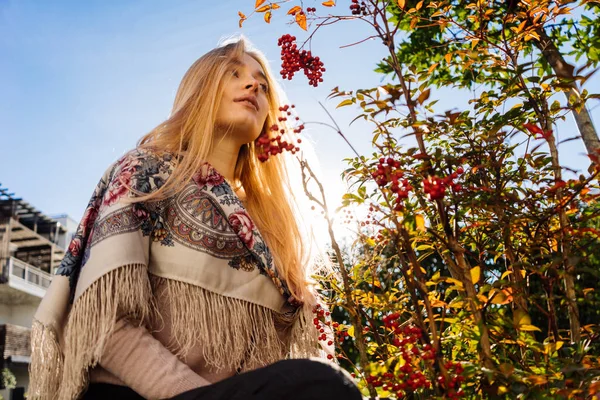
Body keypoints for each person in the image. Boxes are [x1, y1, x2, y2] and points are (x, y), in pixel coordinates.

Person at [28, 37, 362, 400]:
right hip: (129, 393)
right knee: (324, 386)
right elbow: (105, 323)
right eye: (234, 74)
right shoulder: (147, 174)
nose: (253, 85)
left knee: (331, 384)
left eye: (263, 85)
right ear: (200, 90)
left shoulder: (272, 226)